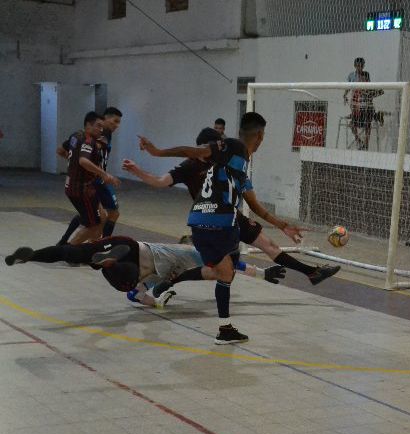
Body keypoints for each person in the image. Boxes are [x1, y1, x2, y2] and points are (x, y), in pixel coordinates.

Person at [123, 127, 339, 286]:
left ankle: (312, 273)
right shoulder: (190, 166)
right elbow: (160, 182)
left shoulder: (231, 166)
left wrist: (283, 225)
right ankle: (170, 282)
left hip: (233, 217)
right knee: (221, 270)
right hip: (210, 222)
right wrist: (139, 169)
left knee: (270, 246)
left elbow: (254, 204)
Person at [135, 112, 269, 344]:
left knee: (222, 269)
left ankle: (223, 326)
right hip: (213, 222)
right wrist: (154, 154)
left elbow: (250, 199)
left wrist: (279, 224)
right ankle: (148, 285)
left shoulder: (227, 164)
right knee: (215, 267)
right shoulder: (213, 156)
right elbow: (170, 171)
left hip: (216, 222)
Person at [5, 237, 285, 308]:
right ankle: (108, 261)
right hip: (131, 266)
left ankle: (32, 257)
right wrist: (262, 274)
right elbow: (231, 266)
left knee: (70, 252)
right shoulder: (193, 254)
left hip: (128, 246)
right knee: (131, 277)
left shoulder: (182, 267)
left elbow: (138, 298)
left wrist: (157, 300)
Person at [57, 107, 124, 244]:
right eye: (114, 121)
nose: (116, 125)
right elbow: (77, 157)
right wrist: (101, 173)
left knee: (96, 216)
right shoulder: (90, 138)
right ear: (105, 119)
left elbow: (65, 151)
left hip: (94, 179)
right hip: (94, 181)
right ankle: (95, 246)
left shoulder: (98, 135)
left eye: (119, 122)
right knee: (101, 217)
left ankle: (72, 245)